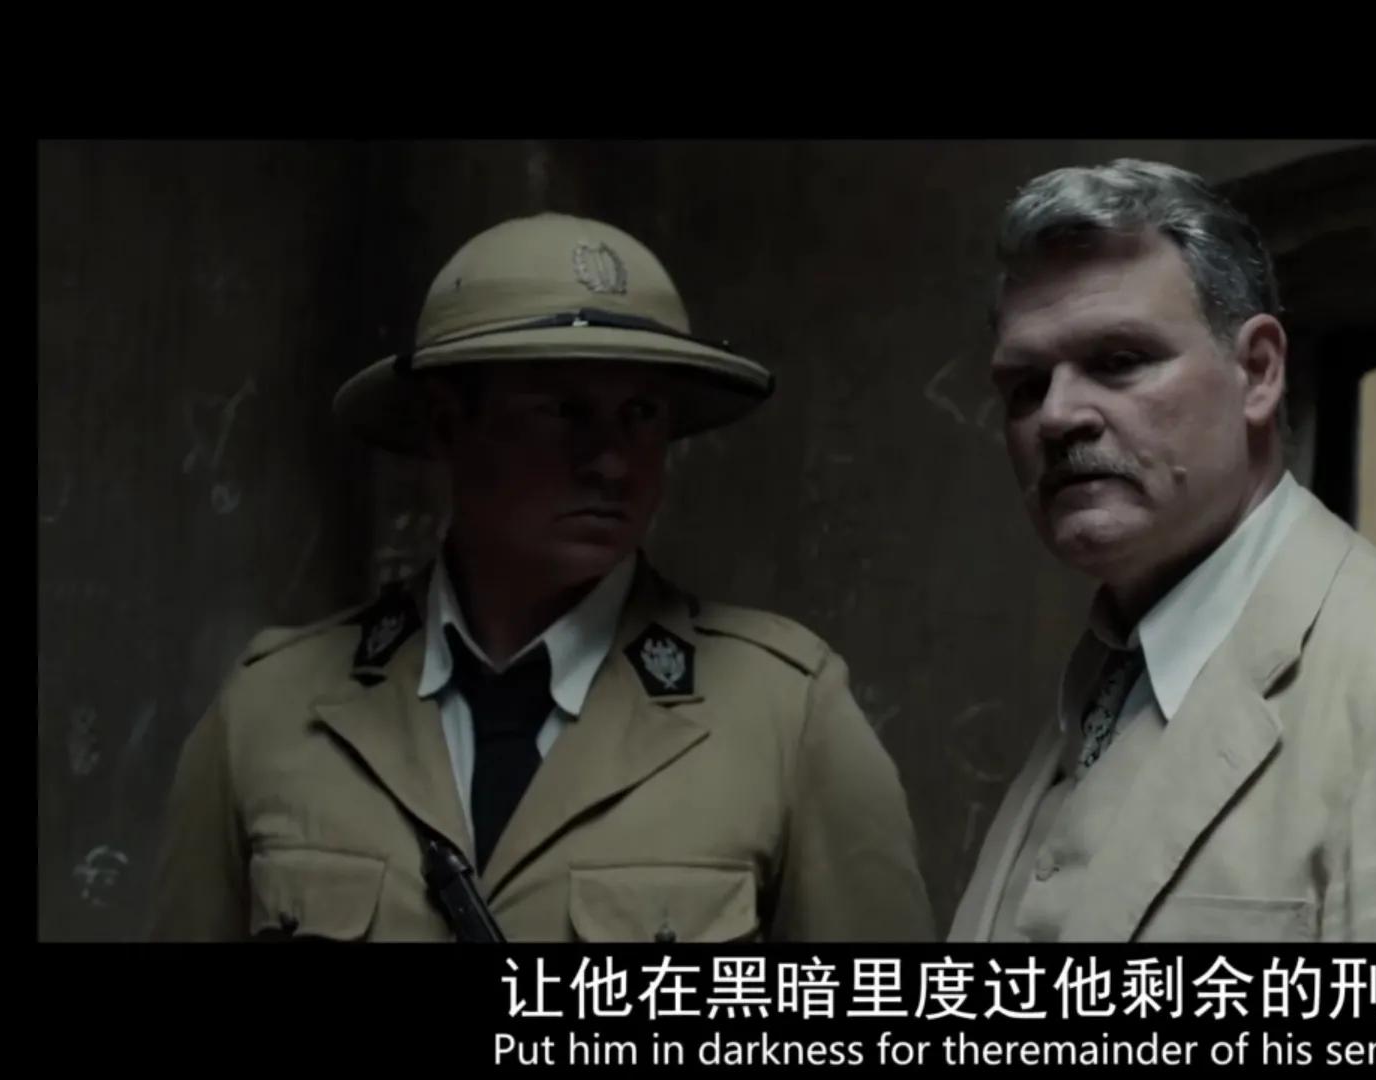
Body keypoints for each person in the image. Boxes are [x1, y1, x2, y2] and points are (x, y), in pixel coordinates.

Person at [151, 212, 931, 942]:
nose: (612, 462)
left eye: (641, 415)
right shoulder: (273, 710)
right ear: (448, 423)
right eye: (562, 411)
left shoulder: (785, 717)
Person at [949, 159, 1376, 943]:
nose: (1058, 416)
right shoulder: (1103, 687)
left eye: (1119, 362)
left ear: (1259, 372)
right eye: (1025, 386)